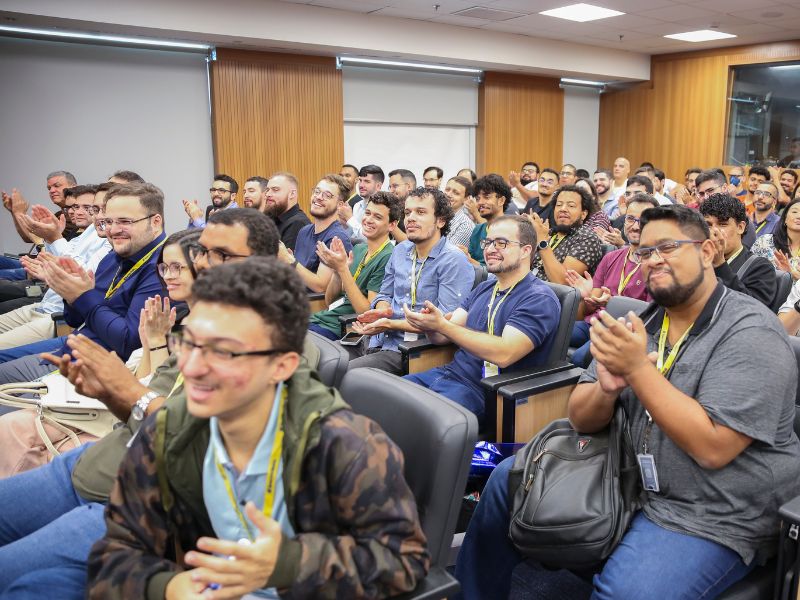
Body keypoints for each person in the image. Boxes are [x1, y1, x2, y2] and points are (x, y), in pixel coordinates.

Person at [456, 204, 800, 600]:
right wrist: (605, 389)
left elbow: (713, 447)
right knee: (506, 481)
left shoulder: (752, 332)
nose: (653, 260)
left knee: (626, 591)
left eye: (668, 247)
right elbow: (580, 417)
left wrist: (637, 370)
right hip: (626, 473)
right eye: (645, 251)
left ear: (707, 252)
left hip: (712, 509)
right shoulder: (643, 322)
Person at [87, 258, 429, 600]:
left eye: (223, 352)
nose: (191, 368)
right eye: (188, 343)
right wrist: (171, 588)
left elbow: (403, 561)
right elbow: (114, 557)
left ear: (281, 366)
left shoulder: (343, 444)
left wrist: (290, 564)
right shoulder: (170, 430)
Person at [0, 209, 283, 599]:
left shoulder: (273, 349)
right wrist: (110, 392)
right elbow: (146, 411)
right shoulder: (206, 325)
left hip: (130, 497)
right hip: (93, 462)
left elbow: (203, 445)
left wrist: (127, 388)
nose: (203, 265)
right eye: (202, 253)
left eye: (221, 255)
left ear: (263, 264)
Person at [0, 182, 166, 384]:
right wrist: (69, 293)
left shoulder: (162, 267)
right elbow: (74, 319)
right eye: (109, 221)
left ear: (155, 222)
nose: (113, 230)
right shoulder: (114, 257)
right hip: (75, 345)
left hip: (93, 370)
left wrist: (83, 296)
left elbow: (127, 342)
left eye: (124, 221)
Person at [403, 216, 559, 422]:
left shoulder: (539, 298)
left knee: (412, 421)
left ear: (525, 251)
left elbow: (505, 353)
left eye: (501, 243)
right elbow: (443, 336)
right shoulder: (485, 287)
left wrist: (443, 326)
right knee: (383, 399)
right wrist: (431, 325)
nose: (490, 249)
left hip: (487, 393)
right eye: (488, 242)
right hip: (448, 374)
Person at [349, 187, 473, 374]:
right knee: (323, 361)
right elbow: (384, 294)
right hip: (378, 339)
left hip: (413, 351)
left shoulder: (453, 260)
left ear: (440, 220)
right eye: (407, 213)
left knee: (344, 373)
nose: (410, 218)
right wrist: (383, 311)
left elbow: (445, 323)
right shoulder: (400, 250)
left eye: (420, 212)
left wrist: (389, 323)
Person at [0, 184, 111, 349]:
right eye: (74, 207)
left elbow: (79, 273)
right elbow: (52, 259)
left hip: (57, 313)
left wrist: (53, 238)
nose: (76, 212)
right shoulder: (87, 231)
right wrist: (49, 242)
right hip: (44, 302)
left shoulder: (106, 238)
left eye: (87, 208)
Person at [566, 193, 659, 367]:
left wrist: (613, 303)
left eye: (643, 220)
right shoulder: (611, 257)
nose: (636, 226)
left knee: (579, 357)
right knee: (551, 333)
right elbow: (590, 306)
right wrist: (587, 297)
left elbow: (649, 314)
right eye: (630, 219)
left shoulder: (656, 264)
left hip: (624, 330)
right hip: (595, 322)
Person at [308, 192, 399, 340]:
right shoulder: (359, 249)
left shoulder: (388, 257)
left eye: (377, 217)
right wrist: (337, 271)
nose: (368, 220)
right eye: (367, 213)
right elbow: (330, 301)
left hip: (342, 329)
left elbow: (368, 313)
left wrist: (343, 269)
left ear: (392, 225)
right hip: (321, 320)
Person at [278, 174, 353, 293]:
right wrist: (289, 263)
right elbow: (299, 274)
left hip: (313, 302)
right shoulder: (304, 231)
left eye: (327, 195)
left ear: (340, 205)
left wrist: (289, 260)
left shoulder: (336, 238)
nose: (318, 197)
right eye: (317, 192)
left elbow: (321, 287)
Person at [700, 193, 776, 307]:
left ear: (740, 227)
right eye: (708, 225)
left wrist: (720, 264)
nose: (714, 231)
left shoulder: (761, 267)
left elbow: (753, 308)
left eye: (722, 224)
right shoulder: (698, 260)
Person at [527, 184, 604, 284]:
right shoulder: (550, 233)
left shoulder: (587, 238)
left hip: (549, 292)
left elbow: (562, 281)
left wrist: (542, 242)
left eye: (571, 205)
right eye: (559, 205)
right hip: (525, 286)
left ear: (583, 214)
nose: (562, 209)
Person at [467, 174, 512, 266]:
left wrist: (472, 262)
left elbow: (504, 268)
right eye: (477, 199)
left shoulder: (511, 230)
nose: (480, 202)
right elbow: (470, 259)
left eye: (487, 197)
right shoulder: (477, 230)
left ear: (501, 200)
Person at [752, 197, 800, 281]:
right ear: (785, 218)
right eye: (794, 212)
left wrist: (794, 275)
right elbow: (750, 271)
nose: (799, 216)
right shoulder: (765, 242)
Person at [262, 172, 310, 251]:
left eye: (275, 190)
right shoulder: (271, 218)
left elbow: (284, 258)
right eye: (267, 190)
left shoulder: (298, 223)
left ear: (292, 194)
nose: (268, 194)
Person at [345, 164, 384, 243]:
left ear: (378, 186)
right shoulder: (357, 205)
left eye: (367, 181)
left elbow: (369, 238)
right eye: (360, 180)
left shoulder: (383, 208)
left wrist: (349, 218)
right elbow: (351, 235)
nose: (361, 185)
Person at [443, 176, 475, 247]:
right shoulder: (436, 215)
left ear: (466, 199)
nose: (448, 195)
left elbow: (447, 252)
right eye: (447, 189)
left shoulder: (466, 226)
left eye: (456, 193)